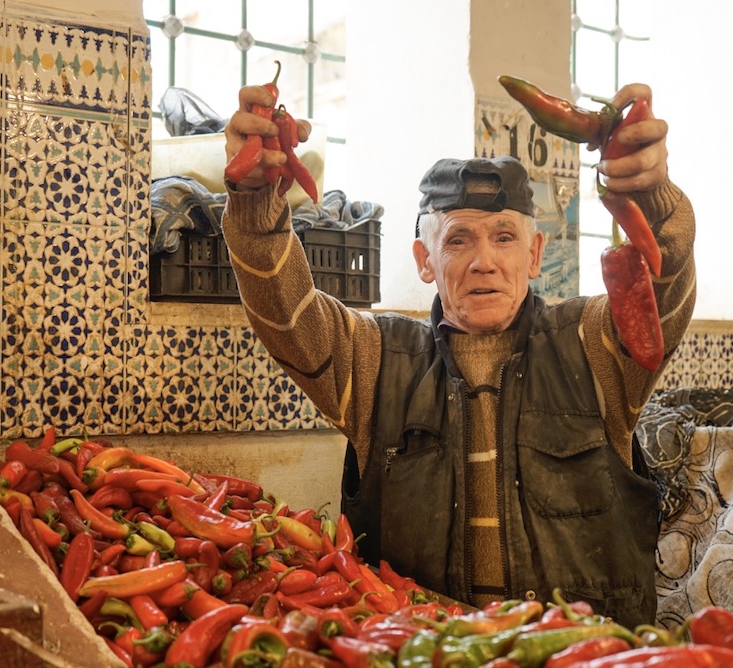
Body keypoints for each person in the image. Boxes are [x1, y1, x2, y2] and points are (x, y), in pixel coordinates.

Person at [221, 82, 696, 627]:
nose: (484, 261)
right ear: (425, 259)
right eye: (458, 241)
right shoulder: (377, 360)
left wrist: (653, 198)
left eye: (504, 237)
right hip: (428, 651)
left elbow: (664, 288)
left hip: (584, 656)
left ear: (536, 253)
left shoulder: (592, 344)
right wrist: (255, 203)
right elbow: (288, 318)